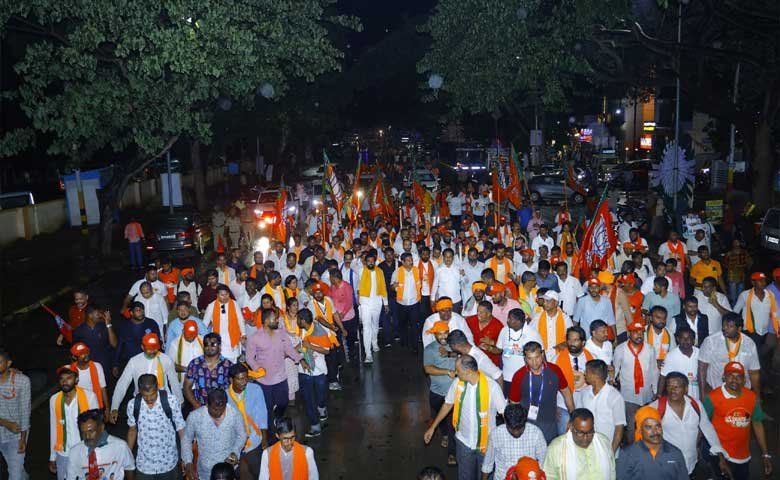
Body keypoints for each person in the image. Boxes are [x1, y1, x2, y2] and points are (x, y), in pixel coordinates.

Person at [423, 354, 506, 480]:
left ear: (468, 372)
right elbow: (447, 404)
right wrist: (433, 427)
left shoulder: (492, 387)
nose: (456, 373)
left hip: (486, 445)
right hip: (464, 442)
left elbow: (505, 414)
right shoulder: (457, 383)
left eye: (458, 370)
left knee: (486, 476)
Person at [648, 372, 728, 476]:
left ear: (686, 389)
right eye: (669, 386)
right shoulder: (656, 407)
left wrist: (720, 456)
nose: (672, 390)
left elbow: (708, 429)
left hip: (691, 462)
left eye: (677, 387)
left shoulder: (696, 405)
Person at [702, 361, 773, 479]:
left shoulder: (751, 397)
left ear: (744, 380)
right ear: (723, 377)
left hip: (743, 456)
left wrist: (765, 454)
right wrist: (715, 454)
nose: (734, 380)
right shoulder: (712, 398)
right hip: (721, 456)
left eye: (738, 376)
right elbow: (704, 426)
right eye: (730, 376)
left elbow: (757, 424)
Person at [246, 308, 308, 431]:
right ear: (266, 321)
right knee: (267, 407)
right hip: (264, 380)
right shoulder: (255, 338)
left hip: (280, 377)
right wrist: (257, 368)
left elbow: (289, 349)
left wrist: (300, 359)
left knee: (284, 402)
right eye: (274, 319)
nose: (277, 322)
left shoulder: (281, 333)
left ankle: (278, 417)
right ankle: (269, 433)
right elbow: (249, 358)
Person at [508, 342, 574, 443]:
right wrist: (517, 426)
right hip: (527, 424)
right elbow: (513, 403)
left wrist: (573, 416)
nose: (534, 362)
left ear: (542, 355)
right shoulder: (519, 375)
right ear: (525, 359)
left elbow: (566, 392)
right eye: (530, 358)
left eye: (537, 357)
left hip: (549, 422)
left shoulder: (554, 370)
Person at [110, 333, 182, 422]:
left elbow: (174, 383)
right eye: (149, 349)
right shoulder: (134, 361)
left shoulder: (166, 360)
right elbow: (122, 384)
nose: (152, 351)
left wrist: (180, 401)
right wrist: (114, 407)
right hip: (141, 404)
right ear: (142, 347)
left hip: (163, 403)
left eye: (155, 348)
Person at [126, 374, 186, 480]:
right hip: (144, 464)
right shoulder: (133, 405)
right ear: (139, 391)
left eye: (152, 395)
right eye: (145, 396)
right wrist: (128, 456)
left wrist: (186, 455)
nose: (149, 399)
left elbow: (181, 428)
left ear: (157, 387)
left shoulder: (170, 401)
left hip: (168, 462)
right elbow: (132, 430)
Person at [182, 388, 247, 480]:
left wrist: (235, 452)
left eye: (222, 409)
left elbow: (242, 435)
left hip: (228, 470)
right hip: (205, 471)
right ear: (207, 405)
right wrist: (188, 462)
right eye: (215, 409)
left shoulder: (235, 415)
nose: (219, 413)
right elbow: (186, 439)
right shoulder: (195, 417)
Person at [48, 365, 99, 480]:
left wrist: (97, 452)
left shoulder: (89, 397)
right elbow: (54, 428)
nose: (65, 381)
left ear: (76, 379)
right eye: (62, 378)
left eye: (69, 378)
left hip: (84, 451)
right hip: (63, 452)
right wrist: (52, 456)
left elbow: (97, 427)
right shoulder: (54, 400)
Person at [613, 320, 659, 443]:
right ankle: (631, 452)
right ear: (629, 333)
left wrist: (655, 390)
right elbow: (615, 369)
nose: (639, 335)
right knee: (630, 426)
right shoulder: (620, 349)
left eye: (641, 332)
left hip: (646, 394)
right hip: (628, 394)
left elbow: (654, 370)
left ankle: (645, 449)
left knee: (646, 423)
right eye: (635, 332)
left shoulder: (650, 349)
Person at [615, 406, 688, 479]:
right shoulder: (628, 454)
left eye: (658, 426)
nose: (655, 431)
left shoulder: (675, 453)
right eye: (649, 427)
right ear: (640, 430)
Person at [542, 408, 616, 480]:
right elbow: (549, 476)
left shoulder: (603, 442)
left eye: (590, 432)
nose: (585, 438)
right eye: (580, 433)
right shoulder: (556, 448)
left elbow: (612, 472)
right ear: (571, 427)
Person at [698, 313, 761, 397]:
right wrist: (702, 394)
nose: (724, 328)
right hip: (718, 391)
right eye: (724, 325)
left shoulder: (749, 344)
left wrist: (757, 396)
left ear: (739, 329)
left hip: (741, 392)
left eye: (729, 326)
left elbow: (754, 373)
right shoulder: (711, 341)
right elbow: (702, 368)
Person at [480, 403, 547, 480]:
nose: (516, 433)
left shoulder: (536, 434)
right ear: (505, 421)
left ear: (525, 422)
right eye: (512, 429)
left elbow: (543, 463)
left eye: (520, 429)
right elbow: (487, 465)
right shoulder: (495, 434)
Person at [423, 321, 458, 465]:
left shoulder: (454, 345)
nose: (443, 336)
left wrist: (451, 354)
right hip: (436, 393)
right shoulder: (430, 349)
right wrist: (447, 372)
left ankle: (452, 453)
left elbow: (464, 354)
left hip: (453, 394)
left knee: (452, 425)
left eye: (445, 333)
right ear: (434, 334)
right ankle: (444, 434)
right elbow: (428, 369)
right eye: (440, 334)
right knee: (440, 418)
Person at [67, 409, 135, 479]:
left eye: (91, 431)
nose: (87, 436)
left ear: (102, 428)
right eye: (83, 433)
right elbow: (71, 477)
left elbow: (130, 468)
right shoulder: (75, 452)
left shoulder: (120, 447)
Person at [227, 363, 268, 479]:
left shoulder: (255, 390)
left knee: (257, 471)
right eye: (240, 379)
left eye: (246, 378)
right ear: (231, 380)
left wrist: (264, 440)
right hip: (234, 443)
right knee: (239, 473)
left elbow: (262, 415)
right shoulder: (225, 396)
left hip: (254, 440)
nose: (244, 382)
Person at [549, 326, 592, 433]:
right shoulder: (556, 360)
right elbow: (550, 386)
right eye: (569, 340)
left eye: (576, 340)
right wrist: (553, 407)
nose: (572, 343)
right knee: (565, 440)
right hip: (563, 407)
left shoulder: (591, 358)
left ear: (583, 342)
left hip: (586, 406)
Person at [296, 308, 331, 438]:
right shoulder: (301, 331)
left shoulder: (319, 332)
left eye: (298, 319)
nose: (297, 321)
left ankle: (322, 408)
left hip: (319, 370)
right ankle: (315, 426)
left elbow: (327, 350)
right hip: (304, 370)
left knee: (321, 396)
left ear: (303, 321)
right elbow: (301, 345)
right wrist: (294, 353)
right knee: (308, 399)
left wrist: (310, 346)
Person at [581, 359, 625, 452]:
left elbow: (619, 428)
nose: (584, 374)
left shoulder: (615, 397)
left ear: (595, 376)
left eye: (587, 372)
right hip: (587, 449)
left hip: (607, 448)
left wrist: (611, 453)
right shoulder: (584, 393)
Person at [0, 349, 30, 480]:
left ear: (8, 363)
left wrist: (23, 438)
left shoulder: (22, 381)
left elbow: (25, 411)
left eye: (0, 362)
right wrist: (5, 423)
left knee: (15, 474)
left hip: (16, 434)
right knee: (15, 468)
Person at [496, 308, 542, 392]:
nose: (507, 320)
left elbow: (541, 354)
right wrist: (490, 348)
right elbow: (499, 350)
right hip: (507, 376)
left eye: (510, 319)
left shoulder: (532, 333)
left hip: (525, 376)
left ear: (518, 322)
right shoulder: (504, 330)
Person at [182, 332, 233, 410]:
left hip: (222, 409)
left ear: (219, 346)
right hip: (201, 409)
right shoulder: (195, 364)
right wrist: (195, 404)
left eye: (213, 344)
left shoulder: (228, 365)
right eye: (206, 344)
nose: (209, 347)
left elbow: (234, 388)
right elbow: (186, 387)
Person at [356, 250, 389, 363]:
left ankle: (374, 342)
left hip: (377, 301)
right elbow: (357, 286)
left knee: (375, 324)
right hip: (365, 301)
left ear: (375, 262)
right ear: (365, 262)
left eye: (372, 261)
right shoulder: (361, 271)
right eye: (368, 261)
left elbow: (383, 287)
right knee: (366, 327)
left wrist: (385, 303)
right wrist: (358, 297)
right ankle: (368, 354)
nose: (370, 263)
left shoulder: (380, 271)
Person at [113, 301, 162, 377]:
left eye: (142, 310)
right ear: (131, 313)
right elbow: (119, 346)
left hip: (148, 361)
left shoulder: (151, 324)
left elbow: (158, 343)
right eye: (137, 310)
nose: (141, 312)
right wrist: (115, 364)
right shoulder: (124, 326)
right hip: (130, 363)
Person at [203, 284, 246, 363]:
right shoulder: (211, 306)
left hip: (233, 339)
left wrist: (243, 334)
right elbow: (204, 324)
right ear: (217, 295)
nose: (225, 297)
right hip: (218, 339)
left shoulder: (234, 304)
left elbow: (240, 319)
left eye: (227, 294)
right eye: (222, 295)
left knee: (233, 363)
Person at [72, 306, 117, 377]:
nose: (101, 316)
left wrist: (108, 324)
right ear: (90, 316)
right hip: (88, 366)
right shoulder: (79, 331)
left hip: (105, 365)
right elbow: (75, 351)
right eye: (98, 314)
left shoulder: (104, 327)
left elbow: (114, 344)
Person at [657, 326, 699, 398]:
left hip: (697, 394)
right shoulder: (671, 356)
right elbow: (663, 376)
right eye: (683, 338)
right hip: (678, 397)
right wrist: (659, 395)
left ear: (693, 340)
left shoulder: (699, 353)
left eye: (689, 338)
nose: (686, 340)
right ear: (678, 339)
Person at [69, 342, 109, 418]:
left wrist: (107, 409)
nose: (85, 355)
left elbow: (103, 388)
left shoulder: (97, 366)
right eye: (81, 354)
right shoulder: (71, 371)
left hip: (95, 406)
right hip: (78, 407)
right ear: (75, 357)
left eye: (86, 352)